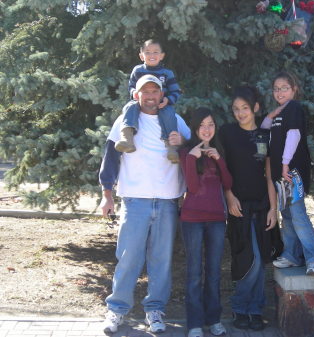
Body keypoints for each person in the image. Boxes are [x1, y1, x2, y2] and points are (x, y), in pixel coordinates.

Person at [99, 74, 190, 335]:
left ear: (162, 95)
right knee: (128, 258)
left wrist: (181, 142)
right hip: (135, 200)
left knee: (161, 260)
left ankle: (155, 310)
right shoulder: (126, 120)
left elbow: (192, 151)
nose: (150, 96)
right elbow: (110, 159)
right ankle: (117, 310)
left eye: (155, 92)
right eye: (145, 92)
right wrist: (107, 195)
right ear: (136, 95)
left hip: (167, 201)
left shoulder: (175, 120)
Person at [219, 86, 278, 331]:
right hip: (238, 207)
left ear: (255, 108)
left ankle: (254, 310)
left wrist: (274, 208)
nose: (240, 113)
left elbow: (269, 175)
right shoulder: (227, 133)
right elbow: (221, 169)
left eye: (245, 108)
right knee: (246, 258)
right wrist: (229, 196)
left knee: (260, 258)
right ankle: (241, 306)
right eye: (235, 109)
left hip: (262, 205)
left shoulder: (265, 136)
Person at [261, 71, 314, 275]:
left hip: (293, 170)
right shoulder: (278, 113)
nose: (280, 92)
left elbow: (294, 135)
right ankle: (291, 255)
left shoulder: (294, 108)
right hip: (282, 172)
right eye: (276, 89)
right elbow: (263, 133)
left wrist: (286, 164)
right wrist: (269, 116)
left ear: (293, 89)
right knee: (286, 214)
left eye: (284, 88)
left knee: (297, 214)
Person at [179, 108, 232, 337]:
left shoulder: (218, 151)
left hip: (217, 220)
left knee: (213, 272)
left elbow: (228, 183)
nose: (207, 129)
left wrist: (219, 159)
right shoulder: (186, 153)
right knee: (194, 273)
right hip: (192, 219)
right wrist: (192, 157)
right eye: (202, 125)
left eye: (211, 124)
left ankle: (213, 319)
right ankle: (194, 324)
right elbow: (191, 186)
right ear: (194, 128)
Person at [115, 39, 182, 163]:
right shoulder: (138, 70)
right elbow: (131, 87)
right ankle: (127, 138)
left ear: (162, 56)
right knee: (129, 107)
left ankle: (172, 147)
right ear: (141, 56)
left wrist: (168, 100)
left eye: (156, 52)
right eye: (148, 52)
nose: (152, 55)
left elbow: (176, 91)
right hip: (141, 103)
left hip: (162, 104)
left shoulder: (167, 73)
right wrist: (134, 94)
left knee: (169, 114)